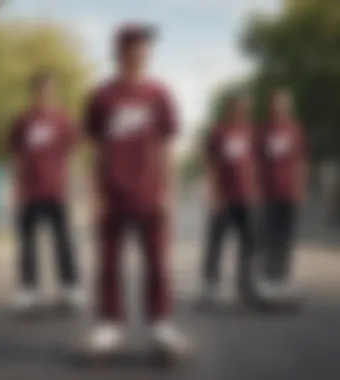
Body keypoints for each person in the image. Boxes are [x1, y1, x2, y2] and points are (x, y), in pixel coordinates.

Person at [83, 23, 192, 357]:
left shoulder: (159, 94)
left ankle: (160, 324)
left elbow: (167, 148)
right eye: (138, 46)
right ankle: (109, 325)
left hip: (150, 193)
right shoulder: (102, 96)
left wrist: (169, 191)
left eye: (147, 47)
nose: (145, 52)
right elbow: (94, 149)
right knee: (109, 262)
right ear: (121, 51)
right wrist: (93, 194)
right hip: (113, 194)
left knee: (158, 263)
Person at [8, 71, 85, 313]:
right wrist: (14, 187)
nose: (45, 95)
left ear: (54, 93)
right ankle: (28, 289)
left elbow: (74, 154)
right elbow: (14, 156)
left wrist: (75, 187)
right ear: (34, 93)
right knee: (27, 243)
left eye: (49, 91)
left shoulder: (63, 121)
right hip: (29, 192)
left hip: (56, 192)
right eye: (40, 91)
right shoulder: (23, 121)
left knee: (63, 242)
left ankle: (69, 287)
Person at [200, 91, 260, 306]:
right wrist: (213, 192)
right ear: (229, 109)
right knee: (216, 242)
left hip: (246, 196)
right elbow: (210, 164)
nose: (241, 111)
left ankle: (246, 285)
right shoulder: (218, 132)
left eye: (244, 107)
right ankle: (211, 286)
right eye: (237, 107)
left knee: (249, 243)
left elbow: (255, 164)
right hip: (224, 197)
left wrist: (256, 192)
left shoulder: (251, 132)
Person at [257, 89, 308, 301]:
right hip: (269, 193)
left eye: (283, 104)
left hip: (289, 193)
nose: (279, 107)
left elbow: (301, 162)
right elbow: (256, 163)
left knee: (286, 238)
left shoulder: (295, 131)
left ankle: (283, 278)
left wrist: (301, 187)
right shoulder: (263, 131)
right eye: (276, 103)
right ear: (271, 106)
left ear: (288, 106)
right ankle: (269, 278)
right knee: (270, 237)